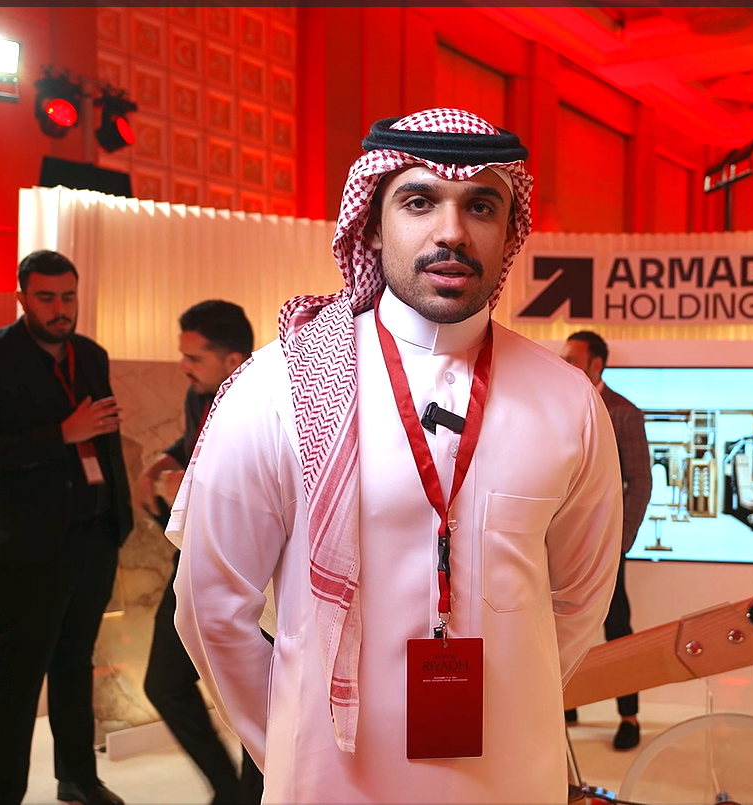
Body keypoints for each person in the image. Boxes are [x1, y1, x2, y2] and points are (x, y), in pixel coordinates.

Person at [166, 108, 623, 802]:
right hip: (331, 780)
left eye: (481, 206)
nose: (451, 231)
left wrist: (513, 698)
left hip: (508, 778)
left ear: (510, 232)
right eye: (419, 202)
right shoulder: (281, 385)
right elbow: (211, 607)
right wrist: (294, 740)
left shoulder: (567, 402)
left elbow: (582, 598)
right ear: (373, 225)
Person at [0, 250, 133, 805]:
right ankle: (2, 792)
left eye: (68, 297)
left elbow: (103, 438)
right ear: (22, 298)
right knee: (19, 673)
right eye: (47, 298)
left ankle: (77, 777)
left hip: (94, 533)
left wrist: (117, 520)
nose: (60, 309)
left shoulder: (90, 354)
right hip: (24, 544)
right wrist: (62, 434)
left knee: (75, 661)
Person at [134, 300, 264, 805]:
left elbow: (264, 492)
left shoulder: (268, 402)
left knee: (256, 696)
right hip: (192, 563)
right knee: (163, 683)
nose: (182, 367)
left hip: (254, 578)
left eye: (194, 358)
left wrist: (189, 485)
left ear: (232, 361)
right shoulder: (198, 394)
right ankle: (227, 791)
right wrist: (162, 463)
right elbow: (193, 442)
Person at [560, 331, 653, 750]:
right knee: (560, 622)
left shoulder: (624, 413)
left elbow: (641, 481)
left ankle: (629, 717)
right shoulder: (557, 402)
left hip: (607, 544)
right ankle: (565, 704)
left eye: (572, 358)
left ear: (596, 364)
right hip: (560, 540)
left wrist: (621, 541)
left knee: (618, 627)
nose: (563, 363)